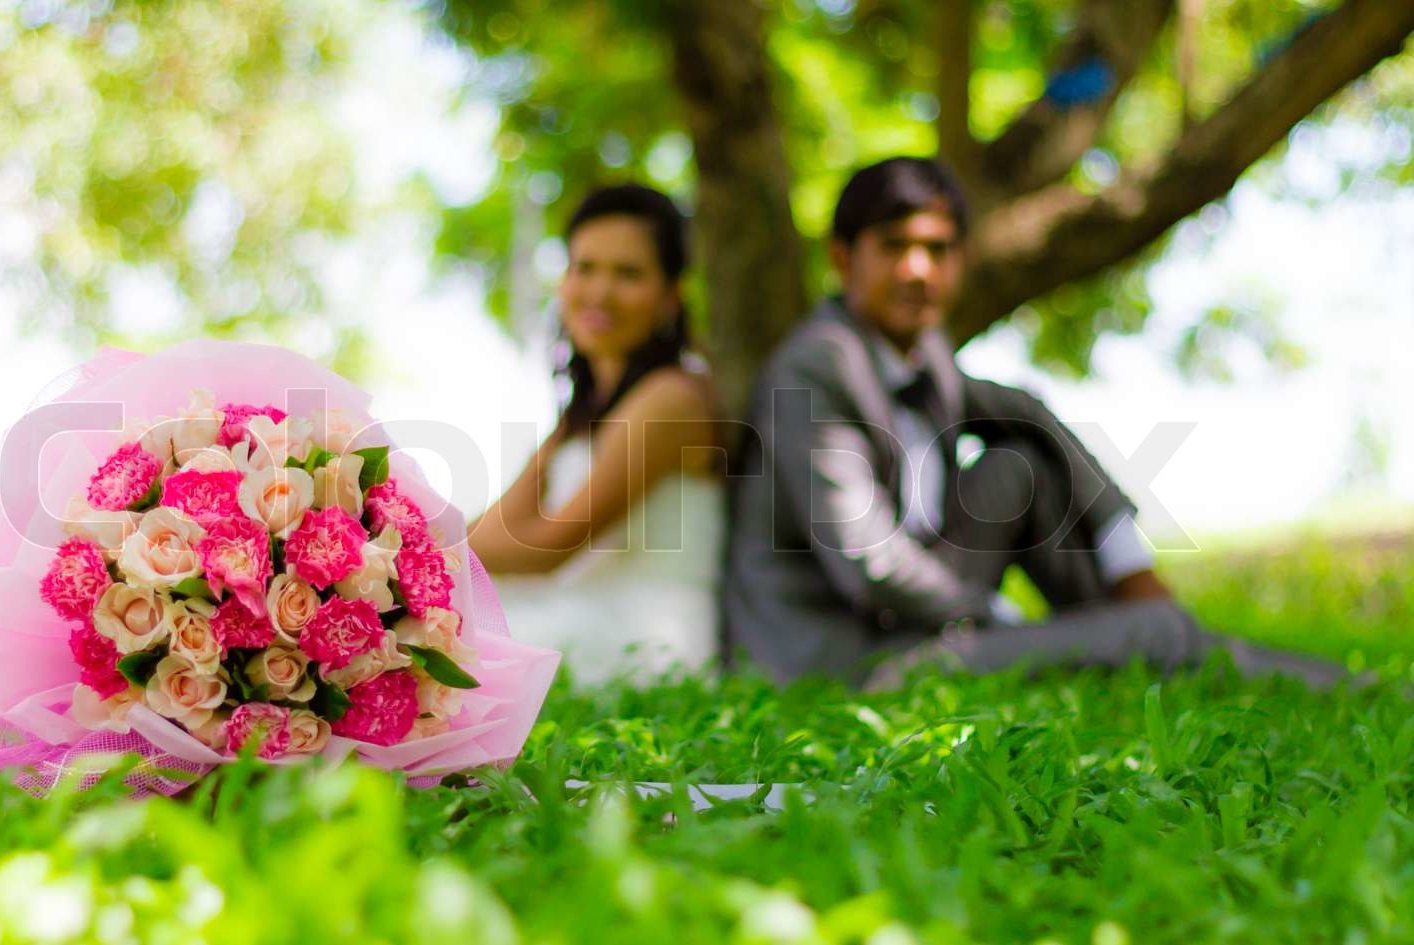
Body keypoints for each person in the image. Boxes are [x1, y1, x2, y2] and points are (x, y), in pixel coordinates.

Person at [723, 157, 1346, 690]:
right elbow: (871, 566)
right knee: (1145, 631)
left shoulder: (927, 355)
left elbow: (1026, 411)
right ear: (842, 258)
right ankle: (1331, 686)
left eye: (938, 250)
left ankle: (1136, 630)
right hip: (843, 657)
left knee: (1016, 468)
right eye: (894, 247)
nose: (918, 270)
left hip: (919, 619)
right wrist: (1000, 619)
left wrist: (1126, 558)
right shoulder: (816, 364)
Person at [469, 184, 725, 685]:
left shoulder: (673, 396)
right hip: (575, 611)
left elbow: (548, 548)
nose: (599, 292)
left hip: (646, 639)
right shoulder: (577, 419)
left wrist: (405, 554)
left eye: (627, 273)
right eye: (584, 268)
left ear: (671, 294)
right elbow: (498, 527)